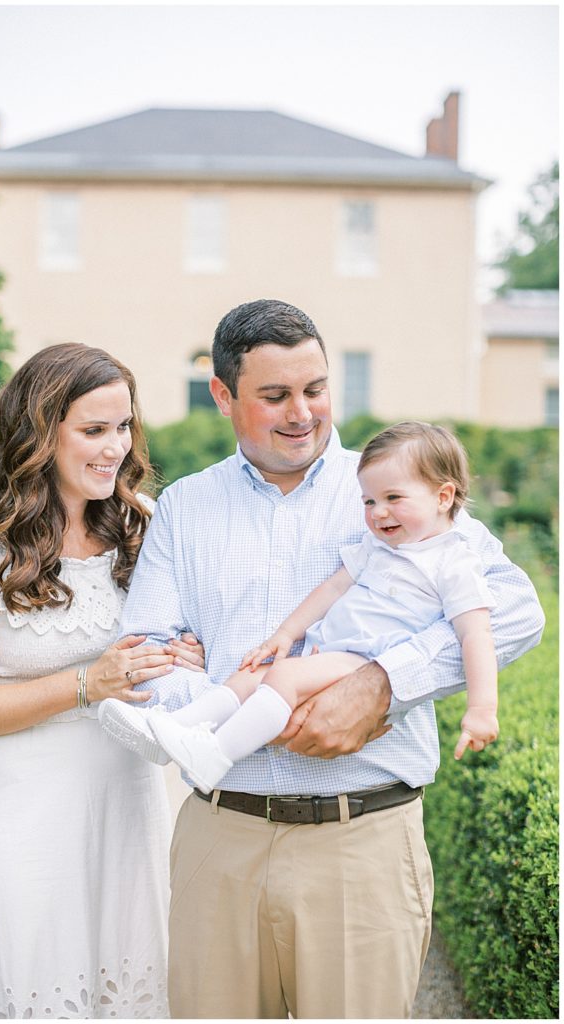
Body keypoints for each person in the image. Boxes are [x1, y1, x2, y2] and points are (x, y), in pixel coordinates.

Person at [97, 299, 545, 1020]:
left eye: (315, 388)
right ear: (222, 395)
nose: (301, 412)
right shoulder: (184, 507)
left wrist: (382, 683)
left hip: (361, 840)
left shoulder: (393, 486)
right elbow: (147, 652)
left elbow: (517, 610)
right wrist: (219, 688)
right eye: (274, 396)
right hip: (221, 838)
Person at [0, 342, 206, 1020]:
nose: (116, 448)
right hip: (21, 812)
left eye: (124, 427)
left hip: (126, 801)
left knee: (129, 984)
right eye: (94, 430)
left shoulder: (145, 525)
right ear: (42, 436)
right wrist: (84, 684)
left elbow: (168, 650)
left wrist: (186, 654)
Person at [100, 420, 500, 795]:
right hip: (329, 651)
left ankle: (216, 753)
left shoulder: (455, 561)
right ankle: (174, 727)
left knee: (285, 676)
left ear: (443, 496)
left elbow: (477, 634)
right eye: (369, 501)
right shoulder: (380, 546)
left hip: (367, 660)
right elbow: (332, 588)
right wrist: (284, 635)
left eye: (394, 499)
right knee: (251, 675)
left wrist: (481, 709)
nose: (378, 513)